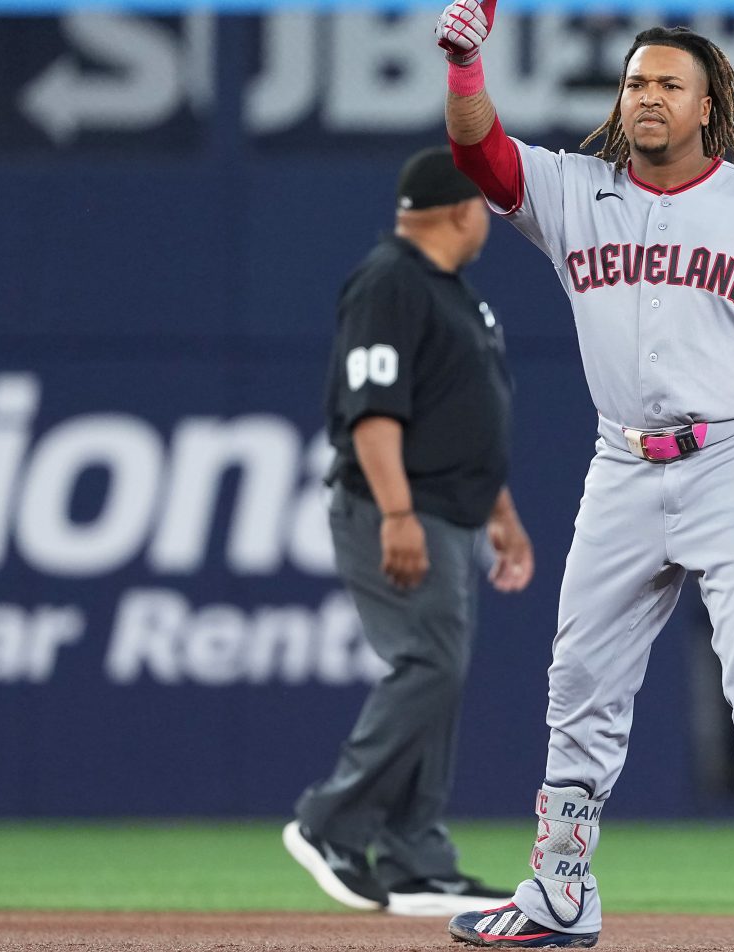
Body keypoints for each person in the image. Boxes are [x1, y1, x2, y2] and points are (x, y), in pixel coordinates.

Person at [434, 4, 734, 948]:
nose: (648, 98)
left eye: (670, 84)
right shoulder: (575, 190)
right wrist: (468, 67)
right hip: (622, 464)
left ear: (709, 108)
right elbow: (482, 159)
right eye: (636, 83)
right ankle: (559, 892)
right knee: (580, 682)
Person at [283, 147, 534, 918]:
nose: (487, 218)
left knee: (441, 673)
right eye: (482, 206)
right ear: (461, 210)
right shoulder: (390, 281)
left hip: (451, 512)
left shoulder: (448, 292)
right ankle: (328, 823)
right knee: (428, 663)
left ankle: (414, 856)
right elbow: (374, 412)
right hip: (399, 509)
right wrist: (396, 512)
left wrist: (501, 514)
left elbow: (464, 413)